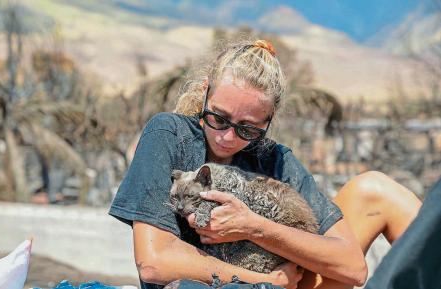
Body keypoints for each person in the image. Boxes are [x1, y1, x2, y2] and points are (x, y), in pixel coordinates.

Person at [109, 39, 421, 289]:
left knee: (375, 192)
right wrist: (265, 282)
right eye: (218, 117)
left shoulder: (275, 158)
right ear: (205, 93)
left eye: (247, 129)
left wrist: (256, 227)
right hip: (225, 284)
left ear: (268, 119)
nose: (228, 137)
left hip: (284, 279)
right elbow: (154, 263)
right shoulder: (170, 135)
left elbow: (352, 268)